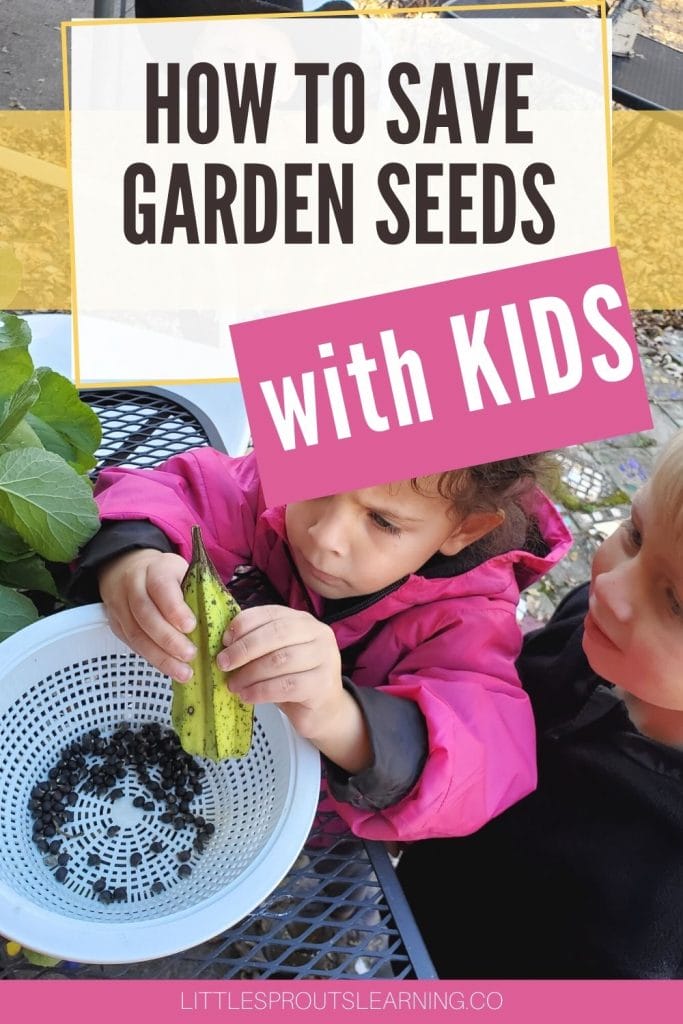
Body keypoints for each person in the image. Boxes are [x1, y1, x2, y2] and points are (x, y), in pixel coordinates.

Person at [70, 446, 570, 843]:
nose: (322, 535)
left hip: (320, 820)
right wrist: (133, 554)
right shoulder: (276, 489)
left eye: (382, 521)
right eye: (315, 483)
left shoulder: (471, 618)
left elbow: (486, 762)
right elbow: (184, 489)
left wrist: (341, 718)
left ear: (464, 529)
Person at [396, 427, 683, 979]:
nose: (614, 588)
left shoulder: (657, 911)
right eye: (636, 535)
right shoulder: (600, 629)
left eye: (676, 602)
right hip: (426, 880)